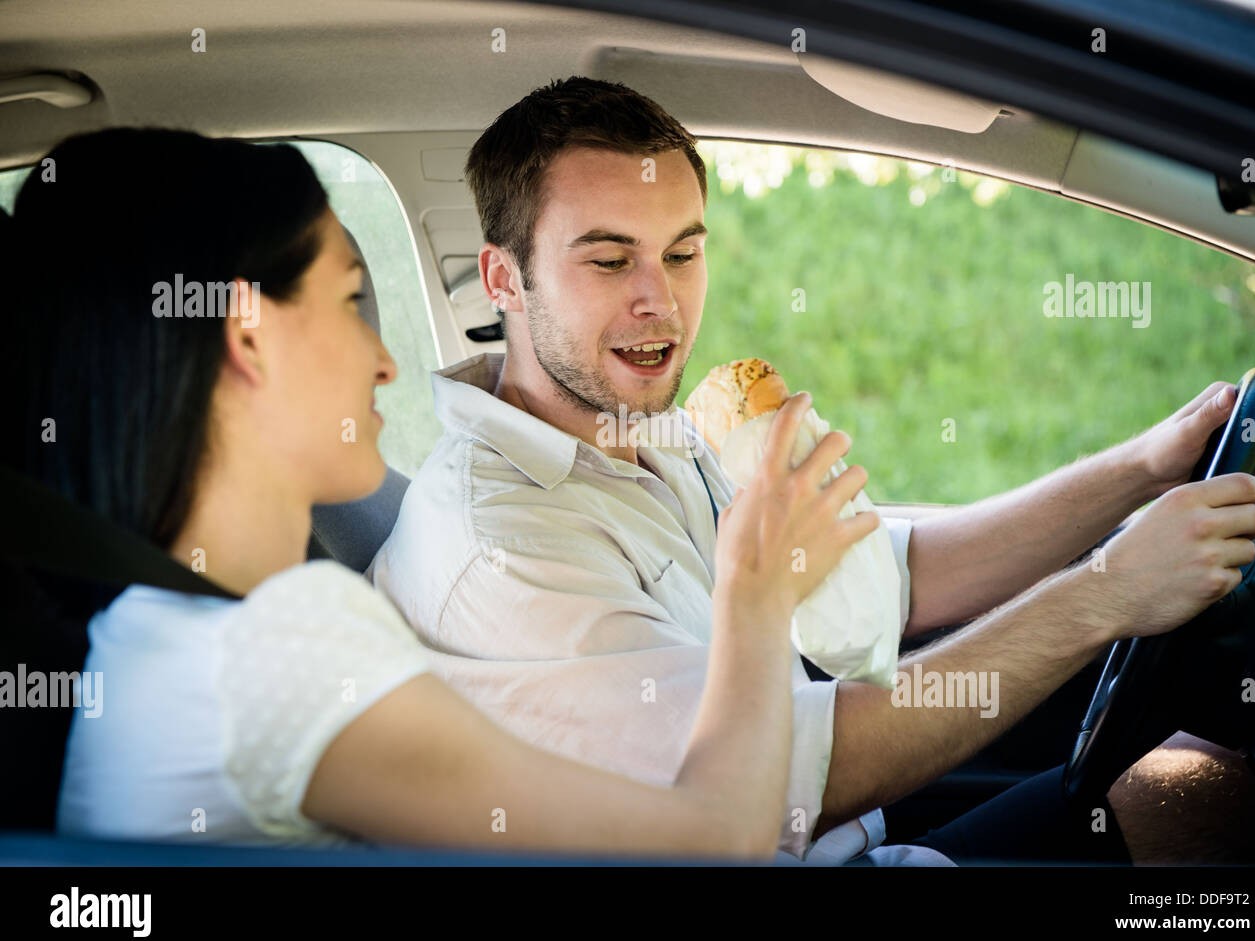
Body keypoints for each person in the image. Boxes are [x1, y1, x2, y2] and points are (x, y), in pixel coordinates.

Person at [370, 76, 1255, 865]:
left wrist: (1140, 469)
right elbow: (793, 777)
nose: (662, 301)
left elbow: (888, 576)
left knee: (1208, 786)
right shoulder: (501, 544)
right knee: (1211, 809)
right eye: (610, 259)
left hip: (865, 842)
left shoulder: (650, 433)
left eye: (684, 252)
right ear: (503, 278)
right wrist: (1108, 592)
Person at [4, 126, 877, 859]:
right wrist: (756, 600)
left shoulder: (152, 634)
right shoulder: (271, 649)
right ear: (249, 336)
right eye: (349, 300)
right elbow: (716, 842)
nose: (385, 360)